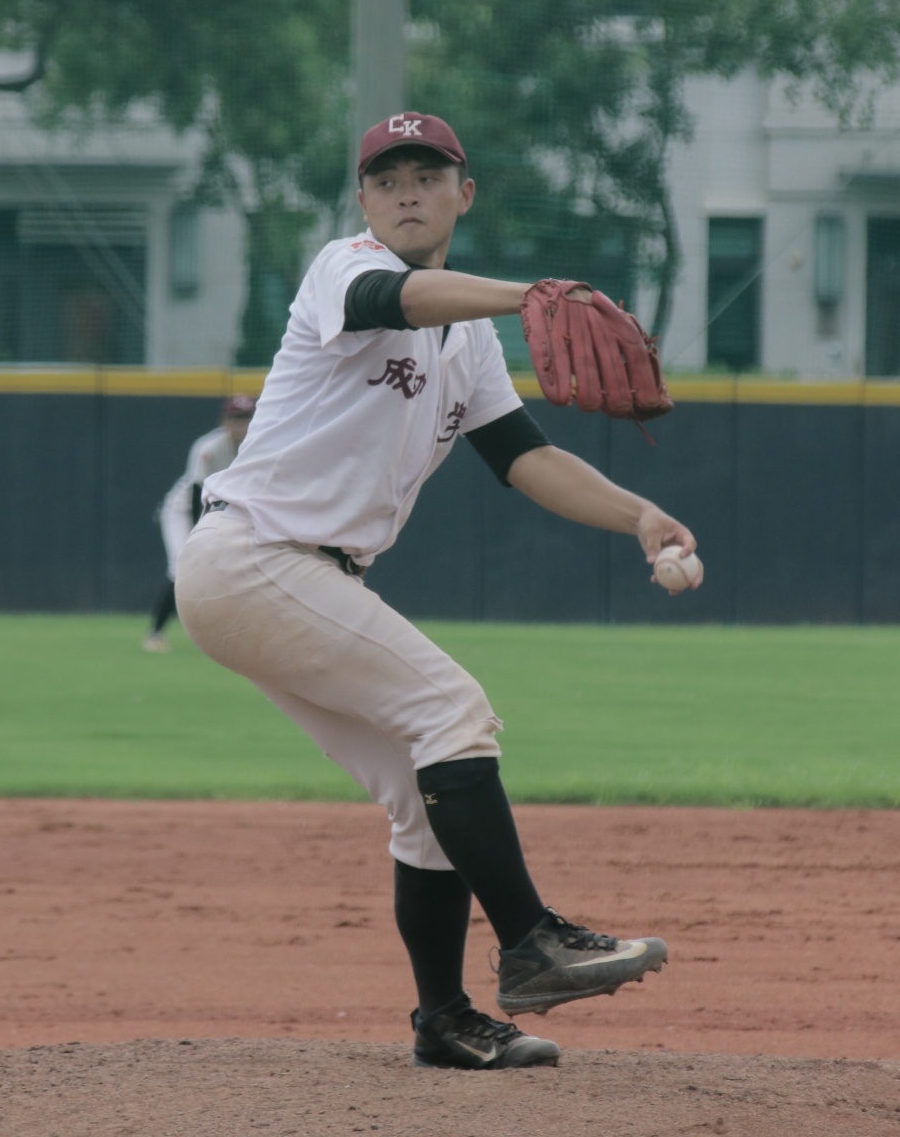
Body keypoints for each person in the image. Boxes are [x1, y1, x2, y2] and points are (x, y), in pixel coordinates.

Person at [174, 112, 703, 1070]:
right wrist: (529, 294)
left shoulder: (465, 345)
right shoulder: (345, 267)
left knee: (424, 796)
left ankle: (444, 1018)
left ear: (465, 192)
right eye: (387, 178)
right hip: (257, 558)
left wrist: (639, 516)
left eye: (428, 173)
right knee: (451, 710)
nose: (407, 190)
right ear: (364, 201)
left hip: (286, 578)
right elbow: (394, 295)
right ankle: (533, 942)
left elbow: (524, 457)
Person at [142, 395, 256, 652]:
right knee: (179, 568)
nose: (242, 425)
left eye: (247, 418)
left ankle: (233, 633)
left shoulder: (258, 445)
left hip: (223, 510)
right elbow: (196, 492)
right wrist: (199, 535)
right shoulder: (209, 447)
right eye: (235, 418)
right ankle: (155, 634)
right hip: (183, 511)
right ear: (223, 421)